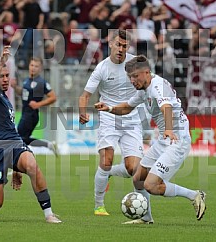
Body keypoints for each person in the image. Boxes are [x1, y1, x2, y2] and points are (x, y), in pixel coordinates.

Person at [94, 55, 206, 223]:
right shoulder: (144, 90)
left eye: (135, 76)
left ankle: (195, 195)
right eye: (130, 77)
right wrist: (109, 108)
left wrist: (168, 129)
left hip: (177, 141)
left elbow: (166, 107)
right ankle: (146, 218)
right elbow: (127, 107)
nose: (132, 80)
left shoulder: (157, 86)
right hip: (164, 140)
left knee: (150, 185)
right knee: (138, 178)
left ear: (146, 72)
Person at [0, 46, 61, 223]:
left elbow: (11, 128)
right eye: (1, 76)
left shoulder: (6, 100)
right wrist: (1, 63)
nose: (6, 79)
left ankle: (49, 214)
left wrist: (17, 167)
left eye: (7, 75)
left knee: (32, 165)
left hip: (14, 142)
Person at [79, 29, 151, 218]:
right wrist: (83, 111)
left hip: (131, 118)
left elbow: (149, 83)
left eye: (124, 46)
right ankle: (99, 205)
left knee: (132, 169)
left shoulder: (135, 64)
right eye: (118, 44)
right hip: (108, 116)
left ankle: (109, 173)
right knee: (107, 159)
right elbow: (85, 95)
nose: (121, 49)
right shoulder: (102, 68)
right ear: (110, 43)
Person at [12, 57, 58, 155]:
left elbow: (53, 97)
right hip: (26, 113)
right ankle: (48, 145)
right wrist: (15, 87)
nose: (33, 68)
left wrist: (38, 104)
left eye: (36, 66)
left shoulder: (41, 82)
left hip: (31, 115)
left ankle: (20, 164)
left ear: (40, 68)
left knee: (18, 139)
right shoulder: (27, 81)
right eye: (32, 65)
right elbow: (24, 93)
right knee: (23, 139)